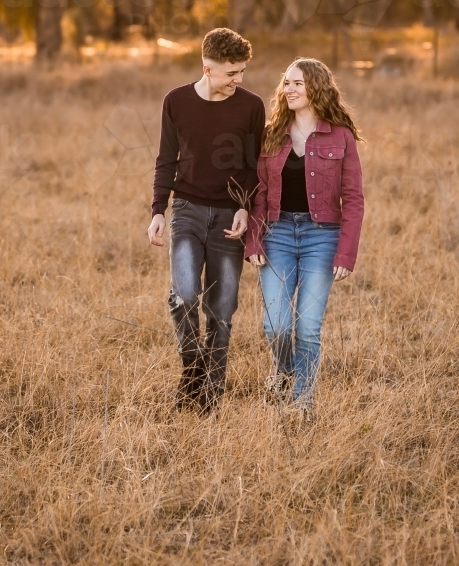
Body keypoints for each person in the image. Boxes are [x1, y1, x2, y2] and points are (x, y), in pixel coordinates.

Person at [147, 28, 265, 413]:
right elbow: (166, 160)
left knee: (222, 308)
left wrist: (247, 207)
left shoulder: (251, 106)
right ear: (207, 68)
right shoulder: (176, 101)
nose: (239, 80)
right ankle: (193, 368)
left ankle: (211, 396)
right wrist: (157, 211)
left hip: (231, 215)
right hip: (187, 211)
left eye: (242, 71)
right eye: (232, 73)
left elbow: (253, 166)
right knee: (183, 295)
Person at [245, 58, 364, 418]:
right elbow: (258, 193)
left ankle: (302, 401)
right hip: (277, 233)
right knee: (276, 325)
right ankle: (283, 371)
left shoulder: (340, 135)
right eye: (287, 83)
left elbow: (354, 199)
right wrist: (254, 241)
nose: (290, 89)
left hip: (322, 237)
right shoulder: (270, 133)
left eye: (298, 83)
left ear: (317, 88)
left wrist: (346, 254)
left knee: (308, 327)